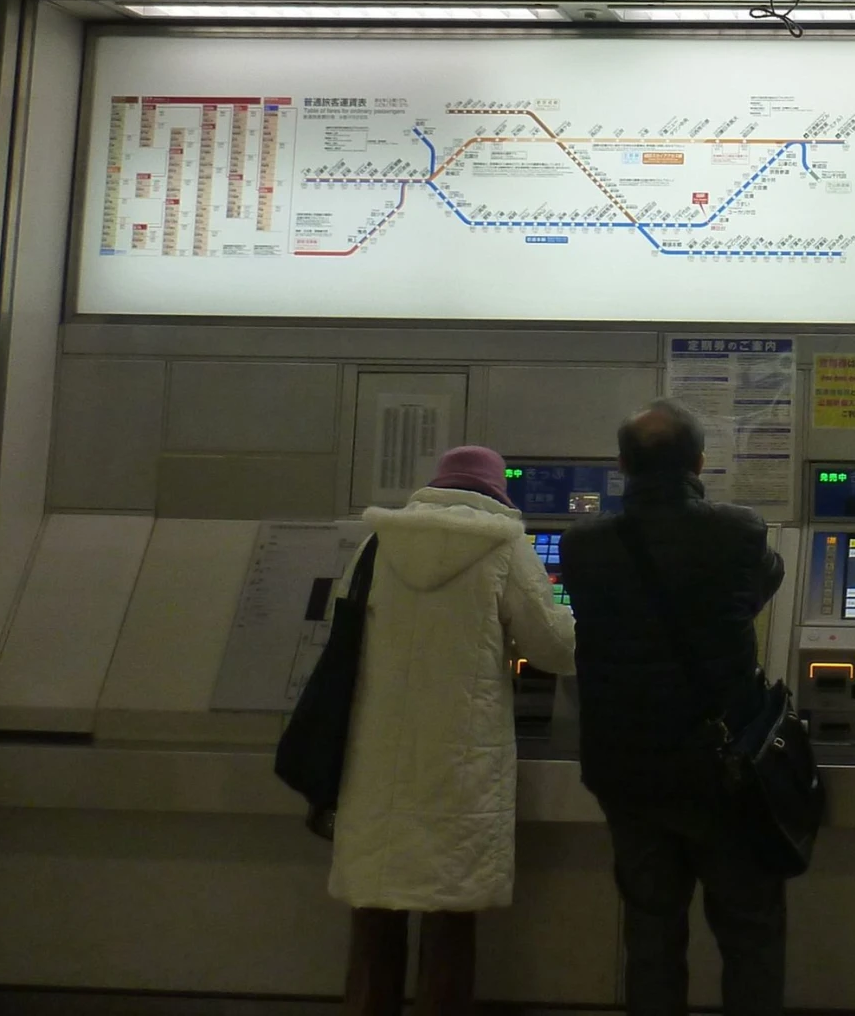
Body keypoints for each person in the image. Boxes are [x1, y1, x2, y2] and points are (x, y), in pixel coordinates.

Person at [558, 401, 789, 1016]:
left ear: (622, 467)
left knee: (652, 937)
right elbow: (764, 584)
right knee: (750, 936)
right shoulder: (739, 531)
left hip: (628, 773)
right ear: (700, 462)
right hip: (725, 770)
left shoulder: (581, 548)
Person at [331, 445, 576, 1016]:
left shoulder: (376, 542)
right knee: (449, 920)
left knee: (375, 912)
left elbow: (341, 630)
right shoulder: (504, 547)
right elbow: (558, 648)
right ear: (496, 494)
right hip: (460, 765)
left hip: (377, 756)